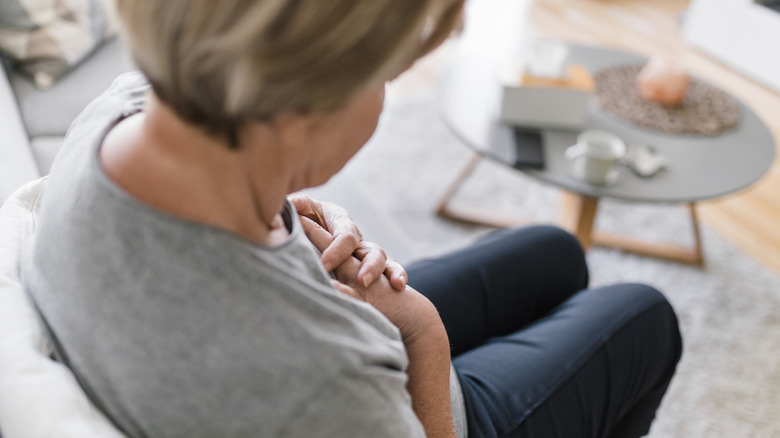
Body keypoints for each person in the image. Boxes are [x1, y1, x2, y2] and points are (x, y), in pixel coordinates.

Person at [21, 1, 682, 437]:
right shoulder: (326, 384)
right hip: (414, 402)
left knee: (554, 251)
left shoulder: (123, 111)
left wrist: (280, 202)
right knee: (644, 318)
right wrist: (422, 333)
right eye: (384, 77)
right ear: (307, 105)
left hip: (284, 330)